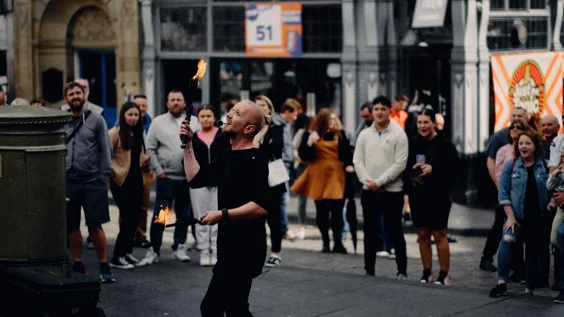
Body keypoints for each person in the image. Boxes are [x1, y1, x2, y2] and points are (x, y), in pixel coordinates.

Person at [182, 100, 270, 317]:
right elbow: (195, 179)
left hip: (246, 248)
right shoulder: (227, 155)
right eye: (230, 110)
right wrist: (187, 144)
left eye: (237, 113)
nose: (229, 115)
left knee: (211, 308)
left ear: (249, 128)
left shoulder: (256, 158)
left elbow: (261, 206)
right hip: (229, 244)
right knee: (235, 308)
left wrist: (222, 215)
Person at [139, 90, 200, 265]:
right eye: (172, 100)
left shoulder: (194, 122)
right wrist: (159, 171)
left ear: (184, 102)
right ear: (167, 103)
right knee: (161, 214)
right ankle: (154, 250)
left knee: (183, 214)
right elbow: (150, 148)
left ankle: (179, 247)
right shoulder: (158, 123)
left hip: (187, 179)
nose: (175, 103)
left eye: (178, 100)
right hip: (166, 177)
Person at [62, 82, 114, 283]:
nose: (75, 96)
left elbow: (105, 148)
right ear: (66, 98)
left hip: (93, 181)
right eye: (71, 93)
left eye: (78, 93)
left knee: (95, 225)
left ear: (84, 96)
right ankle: (78, 262)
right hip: (69, 181)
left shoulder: (96, 120)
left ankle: (103, 264)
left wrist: (103, 175)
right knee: (72, 226)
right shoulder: (62, 120)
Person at [353, 95, 409, 279]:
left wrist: (380, 182)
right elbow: (358, 161)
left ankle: (402, 270)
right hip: (370, 190)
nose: (379, 112)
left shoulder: (398, 134)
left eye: (383, 109)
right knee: (369, 230)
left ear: (389, 111)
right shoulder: (364, 134)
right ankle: (369, 268)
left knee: (395, 230)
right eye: (376, 109)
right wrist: (369, 181)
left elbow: (400, 164)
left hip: (392, 191)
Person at [490, 129, 549, 297]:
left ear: (535, 146)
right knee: (507, 240)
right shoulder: (512, 164)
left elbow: (551, 189)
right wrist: (510, 216)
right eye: (521, 143)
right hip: (515, 216)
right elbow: (503, 192)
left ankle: (529, 289)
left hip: (537, 217)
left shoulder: (543, 165)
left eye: (527, 143)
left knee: (532, 251)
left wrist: (551, 203)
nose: (523, 146)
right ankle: (501, 283)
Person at [405, 108, 460, 285]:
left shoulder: (445, 144)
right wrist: (413, 172)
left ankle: (444, 274)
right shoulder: (413, 143)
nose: (422, 126)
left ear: (434, 123)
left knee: (439, 234)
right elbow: (405, 168)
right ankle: (427, 271)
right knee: (422, 233)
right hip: (418, 194)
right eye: (419, 122)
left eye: (426, 122)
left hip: (439, 195)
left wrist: (433, 169)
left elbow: (455, 171)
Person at [291, 109, 353, 254]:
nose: (331, 123)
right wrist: (309, 142)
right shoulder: (311, 134)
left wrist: (350, 165)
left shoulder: (340, 134)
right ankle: (326, 242)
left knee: (337, 211)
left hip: (336, 175)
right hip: (318, 174)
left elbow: (347, 155)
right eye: (328, 120)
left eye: (332, 120)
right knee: (322, 211)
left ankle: (338, 242)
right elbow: (304, 156)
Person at [480, 107, 529, 272]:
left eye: (520, 116)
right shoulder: (500, 137)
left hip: (523, 192)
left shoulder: (529, 136)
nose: (516, 119)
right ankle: (487, 258)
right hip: (504, 189)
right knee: (499, 225)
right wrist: (498, 185)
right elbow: (490, 161)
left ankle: (518, 265)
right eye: (513, 116)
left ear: (526, 118)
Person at [108, 102, 151, 269]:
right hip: (121, 182)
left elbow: (138, 154)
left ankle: (127, 252)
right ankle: (117, 257)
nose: (133, 118)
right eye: (130, 115)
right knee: (127, 219)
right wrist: (114, 172)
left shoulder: (138, 133)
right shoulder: (115, 133)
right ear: (123, 116)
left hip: (137, 180)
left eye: (135, 115)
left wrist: (145, 160)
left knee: (134, 219)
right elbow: (105, 155)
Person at [190, 105, 229, 266]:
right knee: (201, 217)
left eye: (208, 116)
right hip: (199, 183)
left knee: (218, 216)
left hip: (219, 182)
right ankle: (204, 250)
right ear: (198, 118)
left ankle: (216, 249)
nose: (206, 119)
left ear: (214, 117)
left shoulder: (223, 135)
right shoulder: (193, 137)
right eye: (202, 116)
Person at [254, 95, 286, 267]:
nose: (259, 107)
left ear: (270, 109)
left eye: (263, 105)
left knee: (274, 218)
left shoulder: (276, 128)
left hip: (272, 180)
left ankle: (276, 253)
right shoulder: (250, 128)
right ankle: (258, 252)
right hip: (255, 179)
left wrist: (259, 146)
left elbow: (276, 148)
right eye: (256, 105)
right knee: (255, 219)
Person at [274, 99, 299, 241]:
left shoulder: (286, 125)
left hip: (286, 165)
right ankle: (283, 229)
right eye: (294, 115)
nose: (295, 118)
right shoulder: (277, 124)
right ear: (287, 112)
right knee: (283, 198)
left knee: (283, 198)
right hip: (280, 165)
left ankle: (282, 227)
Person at [132, 94, 154, 249]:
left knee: (144, 205)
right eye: (137, 106)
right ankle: (128, 234)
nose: (141, 109)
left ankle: (141, 235)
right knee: (129, 205)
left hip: (146, 170)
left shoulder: (152, 124)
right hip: (130, 171)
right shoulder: (125, 123)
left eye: (143, 106)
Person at [546, 152, 564, 303]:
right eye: (563, 156)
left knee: (562, 234)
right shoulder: (561, 171)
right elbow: (549, 186)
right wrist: (555, 174)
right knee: (554, 239)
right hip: (561, 210)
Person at [292, 113, 312, 240]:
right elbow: (294, 148)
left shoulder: (313, 133)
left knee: (304, 198)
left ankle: (302, 225)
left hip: (308, 166)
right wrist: (297, 157)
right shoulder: (301, 132)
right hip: (303, 166)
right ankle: (302, 225)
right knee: (302, 198)